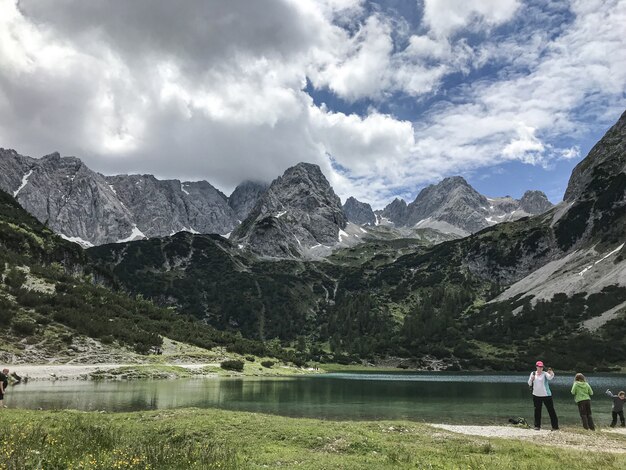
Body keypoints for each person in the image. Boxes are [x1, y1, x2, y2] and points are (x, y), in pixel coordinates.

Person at [528, 360, 559, 430]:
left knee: (551, 411)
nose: (540, 368)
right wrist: (532, 379)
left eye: (541, 367)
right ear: (536, 367)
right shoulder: (533, 373)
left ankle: (555, 427)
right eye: (539, 366)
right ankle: (537, 426)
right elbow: (529, 383)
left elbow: (550, 378)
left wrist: (552, 373)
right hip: (536, 395)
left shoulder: (545, 374)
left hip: (546, 395)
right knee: (537, 411)